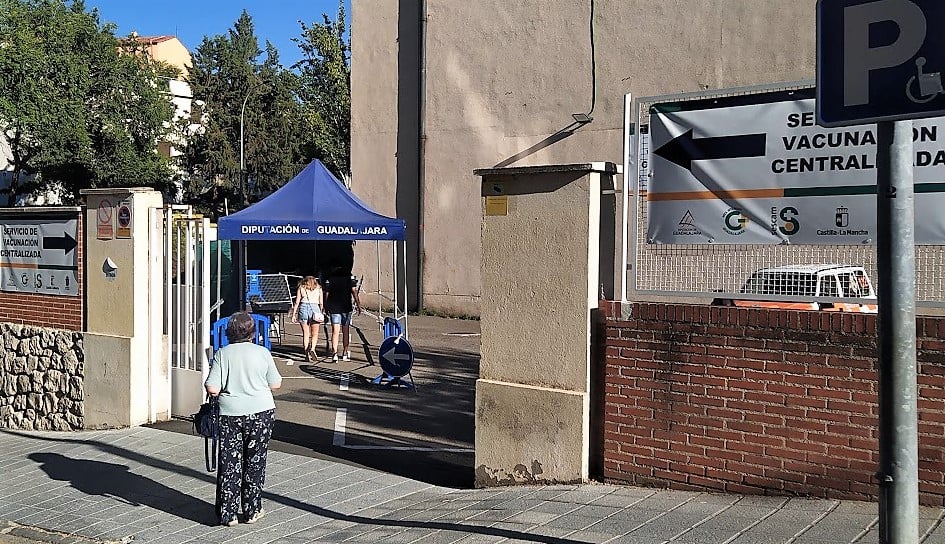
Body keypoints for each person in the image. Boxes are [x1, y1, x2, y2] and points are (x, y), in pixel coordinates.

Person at [204, 312, 282, 527]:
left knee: (230, 461)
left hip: (231, 413)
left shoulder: (223, 354)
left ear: (229, 332)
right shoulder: (262, 353)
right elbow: (275, 384)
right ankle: (252, 510)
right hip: (261, 412)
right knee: (255, 461)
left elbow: (212, 387)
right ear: (252, 332)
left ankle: (228, 513)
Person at [323, 270, 361, 362]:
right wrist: (358, 304)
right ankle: (345, 352)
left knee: (335, 332)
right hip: (346, 307)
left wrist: (326, 306)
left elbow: (327, 293)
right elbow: (354, 291)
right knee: (346, 331)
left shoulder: (330, 277)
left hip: (334, 306)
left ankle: (334, 353)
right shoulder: (349, 277)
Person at [290, 276, 324, 362]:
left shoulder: (301, 288)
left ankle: (306, 353)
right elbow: (321, 303)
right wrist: (321, 312)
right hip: (315, 309)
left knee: (306, 333)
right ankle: (312, 348)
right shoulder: (319, 288)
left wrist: (294, 315)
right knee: (315, 333)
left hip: (303, 308)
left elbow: (297, 302)